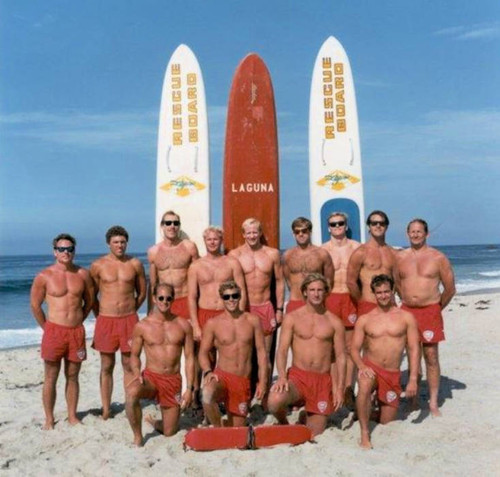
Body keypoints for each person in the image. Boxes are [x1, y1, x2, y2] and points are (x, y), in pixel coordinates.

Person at [268, 273, 346, 436]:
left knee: (313, 434)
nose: (316, 294)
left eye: (320, 290)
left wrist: (339, 389)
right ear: (305, 292)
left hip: (322, 381)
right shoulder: (292, 318)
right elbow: (281, 351)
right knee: (274, 401)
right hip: (298, 378)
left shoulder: (334, 322)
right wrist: (282, 376)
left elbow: (340, 357)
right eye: (312, 290)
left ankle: (307, 414)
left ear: (326, 292)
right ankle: (283, 423)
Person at [30, 234, 93, 429]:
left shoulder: (83, 274)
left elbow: (89, 302)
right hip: (54, 332)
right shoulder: (44, 276)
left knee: (73, 375)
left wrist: (78, 320)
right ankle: (49, 418)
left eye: (70, 249)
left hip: (75, 332)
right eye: (62, 249)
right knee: (51, 376)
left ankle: (72, 416)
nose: (66, 252)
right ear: (55, 252)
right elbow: (35, 305)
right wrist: (47, 327)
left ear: (74, 251)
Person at [351, 274, 420, 449]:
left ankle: (367, 412)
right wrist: (361, 366)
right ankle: (365, 433)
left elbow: (413, 349)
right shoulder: (365, 319)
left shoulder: (406, 317)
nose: (383, 296)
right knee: (364, 385)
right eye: (379, 292)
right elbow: (353, 349)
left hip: (392, 373)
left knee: (386, 421)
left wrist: (412, 379)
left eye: (386, 291)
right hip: (371, 368)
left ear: (393, 291)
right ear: (374, 294)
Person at [395, 218, 456, 416]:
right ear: (407, 234)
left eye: (419, 231)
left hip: (430, 311)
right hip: (407, 311)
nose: (415, 234)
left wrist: (437, 308)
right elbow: (397, 283)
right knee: (413, 356)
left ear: (427, 234)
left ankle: (433, 402)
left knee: (431, 356)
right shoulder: (400, 257)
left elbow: (450, 288)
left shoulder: (438, 258)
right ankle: (413, 401)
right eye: (412, 231)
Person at [125, 283, 195, 446]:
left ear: (173, 300)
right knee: (131, 393)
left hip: (172, 381)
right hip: (151, 378)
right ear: (155, 299)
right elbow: (134, 356)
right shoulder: (142, 326)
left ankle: (154, 422)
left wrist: (190, 388)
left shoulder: (183, 325)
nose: (165, 301)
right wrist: (136, 372)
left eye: (169, 298)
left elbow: (190, 358)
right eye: (161, 298)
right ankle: (137, 437)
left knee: (170, 432)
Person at [90, 225, 147, 419]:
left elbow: (142, 292)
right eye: (116, 242)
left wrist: (130, 311)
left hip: (129, 320)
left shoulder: (135, 264)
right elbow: (92, 296)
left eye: (123, 242)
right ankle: (106, 409)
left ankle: (130, 404)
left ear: (127, 243)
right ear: (109, 244)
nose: (120, 245)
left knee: (129, 364)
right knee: (106, 365)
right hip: (106, 320)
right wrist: (102, 315)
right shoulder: (98, 266)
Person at [199, 280, 268, 427]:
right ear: (221, 299)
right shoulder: (213, 323)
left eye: (235, 295)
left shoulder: (253, 320)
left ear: (240, 296)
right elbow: (203, 353)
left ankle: (226, 426)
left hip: (242, 381)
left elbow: (262, 353)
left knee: (237, 427)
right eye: (227, 297)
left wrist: (262, 382)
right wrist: (207, 371)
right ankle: (219, 431)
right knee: (206, 395)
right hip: (222, 376)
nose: (231, 299)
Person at [229, 218, 285, 359]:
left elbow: (279, 282)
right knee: (244, 354)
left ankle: (264, 382)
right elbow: (229, 286)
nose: (252, 236)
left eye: (255, 232)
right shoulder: (235, 255)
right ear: (243, 234)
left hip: (265, 307)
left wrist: (279, 310)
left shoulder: (272, 254)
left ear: (260, 233)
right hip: (244, 308)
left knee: (264, 355)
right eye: (248, 233)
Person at [187, 226, 246, 341]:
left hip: (227, 313)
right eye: (209, 239)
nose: (212, 242)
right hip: (205, 314)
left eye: (216, 239)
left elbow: (241, 292)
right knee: (206, 355)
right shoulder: (196, 266)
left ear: (221, 240)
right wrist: (195, 325)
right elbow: (192, 297)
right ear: (204, 241)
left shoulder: (232, 263)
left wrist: (240, 318)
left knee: (228, 354)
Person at [147, 210, 199, 317]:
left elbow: (199, 278)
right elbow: (153, 285)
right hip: (164, 303)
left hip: (186, 300)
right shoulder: (153, 251)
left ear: (179, 226)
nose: (172, 226)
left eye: (176, 223)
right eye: (168, 223)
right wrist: (150, 310)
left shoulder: (189, 247)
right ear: (162, 225)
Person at [346, 210, 397, 316]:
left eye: (382, 223)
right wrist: (361, 302)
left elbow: (397, 281)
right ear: (368, 226)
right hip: (368, 304)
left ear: (386, 227)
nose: (378, 226)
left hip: (390, 305)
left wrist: (392, 297)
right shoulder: (360, 252)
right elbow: (351, 282)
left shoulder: (393, 253)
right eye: (374, 223)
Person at [282, 217, 334, 313]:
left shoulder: (322, 254)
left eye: (304, 231)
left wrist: (320, 301)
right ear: (293, 234)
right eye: (297, 232)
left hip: (317, 304)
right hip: (295, 302)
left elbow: (328, 282)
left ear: (310, 232)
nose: (301, 234)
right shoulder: (287, 255)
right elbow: (288, 282)